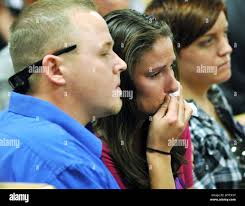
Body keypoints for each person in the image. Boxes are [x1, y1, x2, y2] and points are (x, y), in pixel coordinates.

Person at [0, 0, 127, 189]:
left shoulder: (7, 125)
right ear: (55, 69)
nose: (121, 64)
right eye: (104, 52)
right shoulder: (70, 166)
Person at [146, 0, 245, 188]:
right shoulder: (181, 125)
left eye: (224, 33)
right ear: (171, 50)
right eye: (208, 41)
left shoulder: (212, 91)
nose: (227, 49)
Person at [95, 9, 193, 189]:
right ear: (121, 80)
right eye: (155, 73)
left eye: (171, 66)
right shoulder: (98, 151)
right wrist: (158, 152)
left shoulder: (173, 125)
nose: (173, 85)